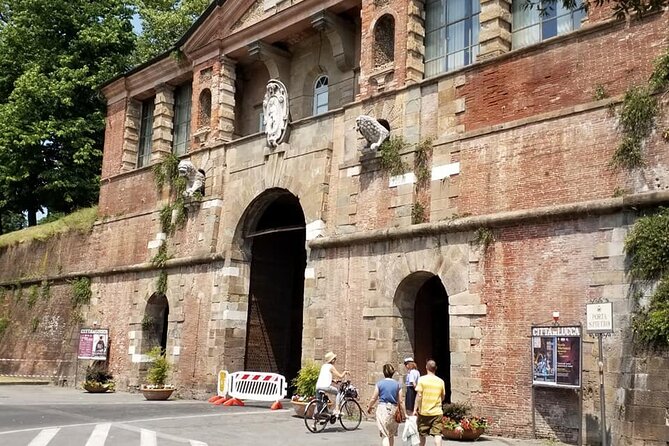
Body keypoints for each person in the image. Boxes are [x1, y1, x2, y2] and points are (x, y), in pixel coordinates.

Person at [367, 363, 404, 446]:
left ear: (384, 373)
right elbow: (401, 401)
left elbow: (374, 398)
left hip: (383, 409)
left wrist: (369, 407)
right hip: (394, 410)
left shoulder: (379, 384)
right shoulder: (398, 384)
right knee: (391, 435)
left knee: (385, 435)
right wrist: (404, 413)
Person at [413, 359, 445, 446]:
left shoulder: (422, 380)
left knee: (422, 434)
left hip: (424, 412)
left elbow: (419, 396)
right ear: (436, 368)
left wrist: (415, 409)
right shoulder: (441, 381)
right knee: (437, 434)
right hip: (437, 412)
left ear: (426, 367)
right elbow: (442, 397)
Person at [315, 351, 348, 416]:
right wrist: (345, 372)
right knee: (338, 392)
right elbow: (340, 376)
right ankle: (337, 410)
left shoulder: (323, 366)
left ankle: (320, 417)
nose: (335, 360)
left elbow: (323, 377)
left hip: (318, 386)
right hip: (325, 386)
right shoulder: (331, 367)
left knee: (320, 402)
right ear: (332, 360)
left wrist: (333, 380)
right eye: (334, 359)